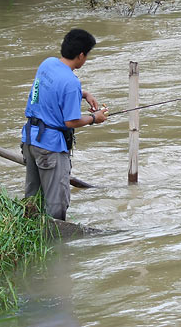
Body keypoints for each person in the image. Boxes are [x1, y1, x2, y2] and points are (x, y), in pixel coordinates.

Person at [22, 28, 108, 220]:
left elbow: (51, 92)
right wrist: (96, 118)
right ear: (81, 55)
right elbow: (70, 122)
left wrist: (84, 94)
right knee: (56, 203)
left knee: (33, 197)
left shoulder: (48, 64)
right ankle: (56, 243)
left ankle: (29, 233)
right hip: (50, 147)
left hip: (30, 139)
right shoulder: (71, 83)